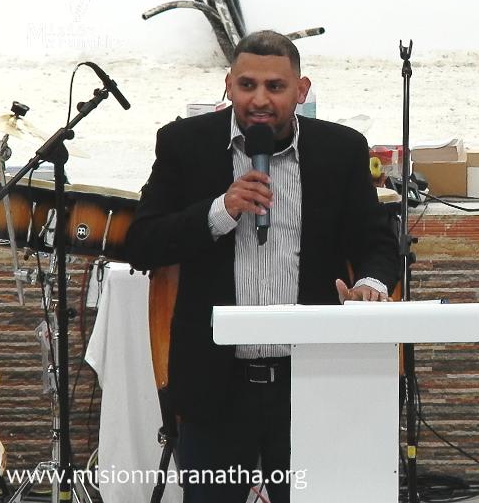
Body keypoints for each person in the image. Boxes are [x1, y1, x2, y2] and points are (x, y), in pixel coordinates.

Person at [126, 30, 399, 502]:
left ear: (301, 90)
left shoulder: (340, 149)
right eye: (247, 85)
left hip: (311, 380)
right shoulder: (184, 144)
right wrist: (220, 210)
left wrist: (371, 285)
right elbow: (142, 243)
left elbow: (377, 242)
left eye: (275, 87)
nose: (259, 100)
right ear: (228, 85)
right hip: (215, 384)